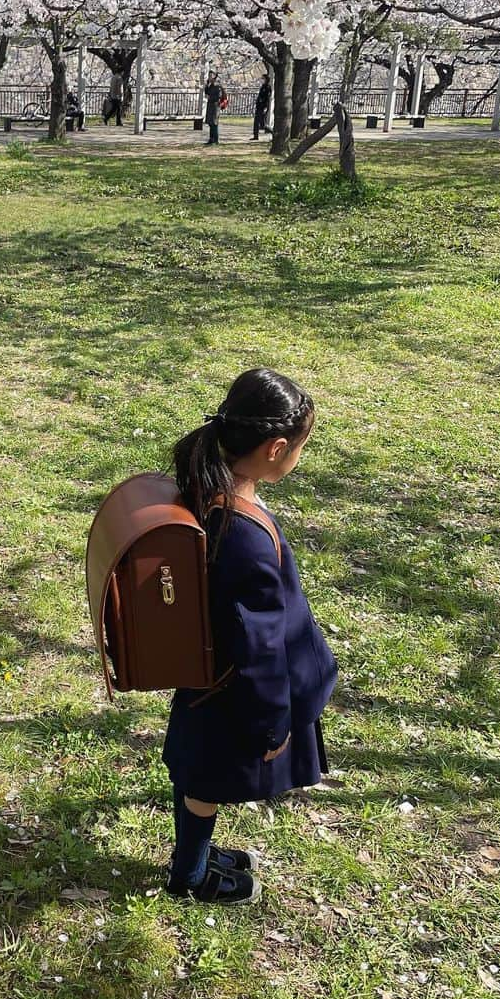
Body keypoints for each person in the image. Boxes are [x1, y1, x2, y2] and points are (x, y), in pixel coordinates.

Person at [162, 367, 338, 904]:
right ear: (275, 447)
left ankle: (192, 858)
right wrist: (272, 727)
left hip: (209, 675)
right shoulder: (243, 534)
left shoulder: (205, 484)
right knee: (204, 784)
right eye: (300, 448)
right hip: (235, 691)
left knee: (198, 775)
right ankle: (190, 876)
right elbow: (259, 647)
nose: (298, 458)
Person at [203, 72, 226, 145]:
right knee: (210, 123)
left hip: (215, 106)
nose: (209, 78)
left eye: (210, 76)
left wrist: (211, 97)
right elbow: (207, 92)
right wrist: (207, 85)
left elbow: (219, 97)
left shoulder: (218, 86)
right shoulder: (211, 85)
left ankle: (215, 140)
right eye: (209, 76)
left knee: (214, 123)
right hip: (210, 105)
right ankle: (211, 139)